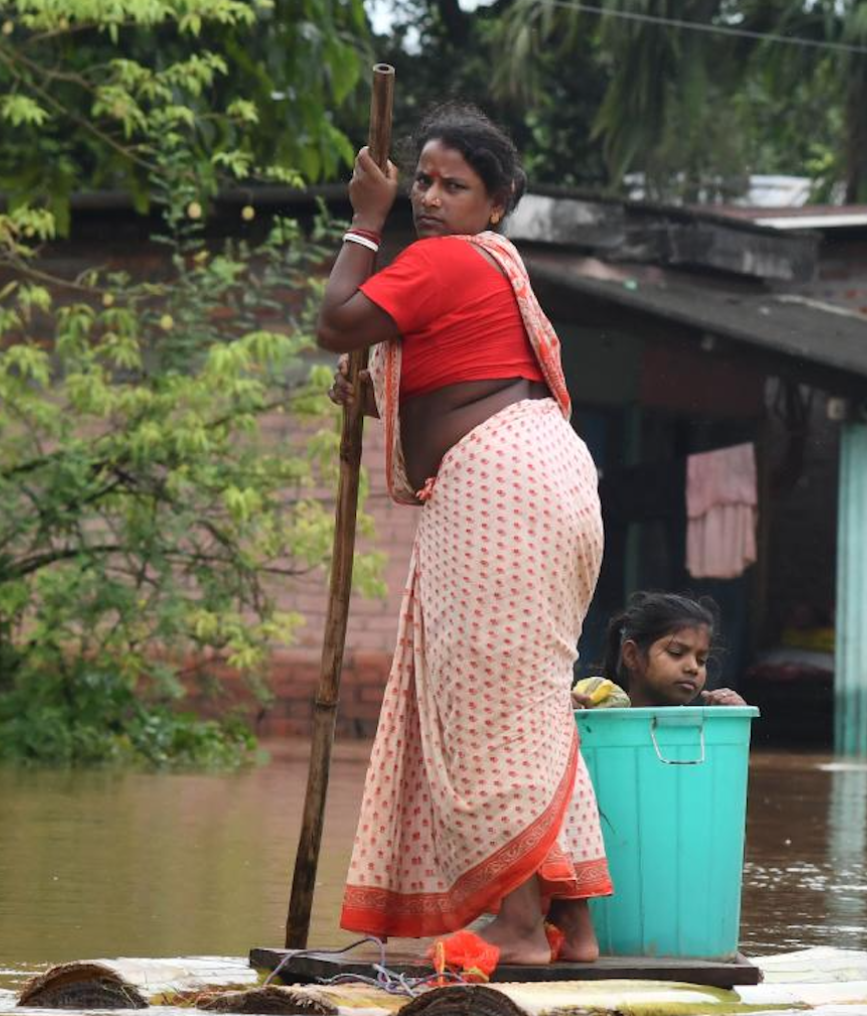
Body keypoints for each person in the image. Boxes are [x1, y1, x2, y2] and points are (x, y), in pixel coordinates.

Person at [316, 102, 611, 967]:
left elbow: (335, 322)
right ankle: (576, 933)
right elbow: (425, 357)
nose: (431, 198)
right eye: (423, 181)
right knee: (530, 707)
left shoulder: (447, 259)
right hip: (546, 475)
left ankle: (520, 930)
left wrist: (365, 222)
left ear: (499, 200)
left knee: (485, 708)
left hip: (500, 484)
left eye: (456, 186)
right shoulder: (488, 266)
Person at [575, 592, 748, 709]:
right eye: (676, 653)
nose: (693, 668)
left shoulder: (702, 731)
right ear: (632, 655)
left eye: (701, 660)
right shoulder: (596, 714)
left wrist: (733, 720)